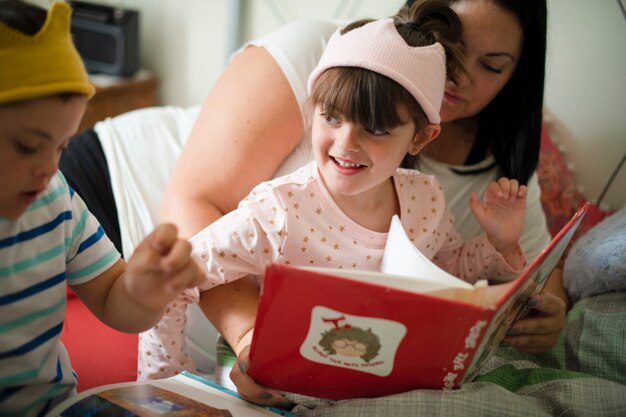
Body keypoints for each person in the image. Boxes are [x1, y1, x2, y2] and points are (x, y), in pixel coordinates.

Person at [57, 0, 563, 396]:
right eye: (331, 118)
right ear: (312, 104)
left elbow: (447, 263)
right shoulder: (280, 208)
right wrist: (167, 386)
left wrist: (498, 246)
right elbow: (180, 273)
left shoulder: (426, 199)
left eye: (377, 128)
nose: (345, 144)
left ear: (420, 138)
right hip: (104, 184)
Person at [0, 2, 203, 415]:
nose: (49, 168)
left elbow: (114, 298)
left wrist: (142, 292)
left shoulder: (56, 198)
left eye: (62, 146)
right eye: (28, 146)